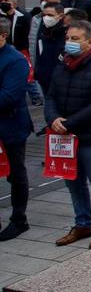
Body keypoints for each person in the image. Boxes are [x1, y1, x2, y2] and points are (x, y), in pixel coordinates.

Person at [45, 20, 91, 249]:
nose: (70, 43)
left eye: (75, 39)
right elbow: (51, 97)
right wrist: (53, 119)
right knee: (74, 185)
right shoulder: (63, 65)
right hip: (65, 138)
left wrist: (69, 123)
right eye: (68, 38)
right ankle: (82, 224)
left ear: (89, 42)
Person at [0, 16, 33, 241]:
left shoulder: (15, 60)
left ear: (2, 36)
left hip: (10, 126)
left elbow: (9, 97)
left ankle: (19, 219)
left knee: (15, 172)